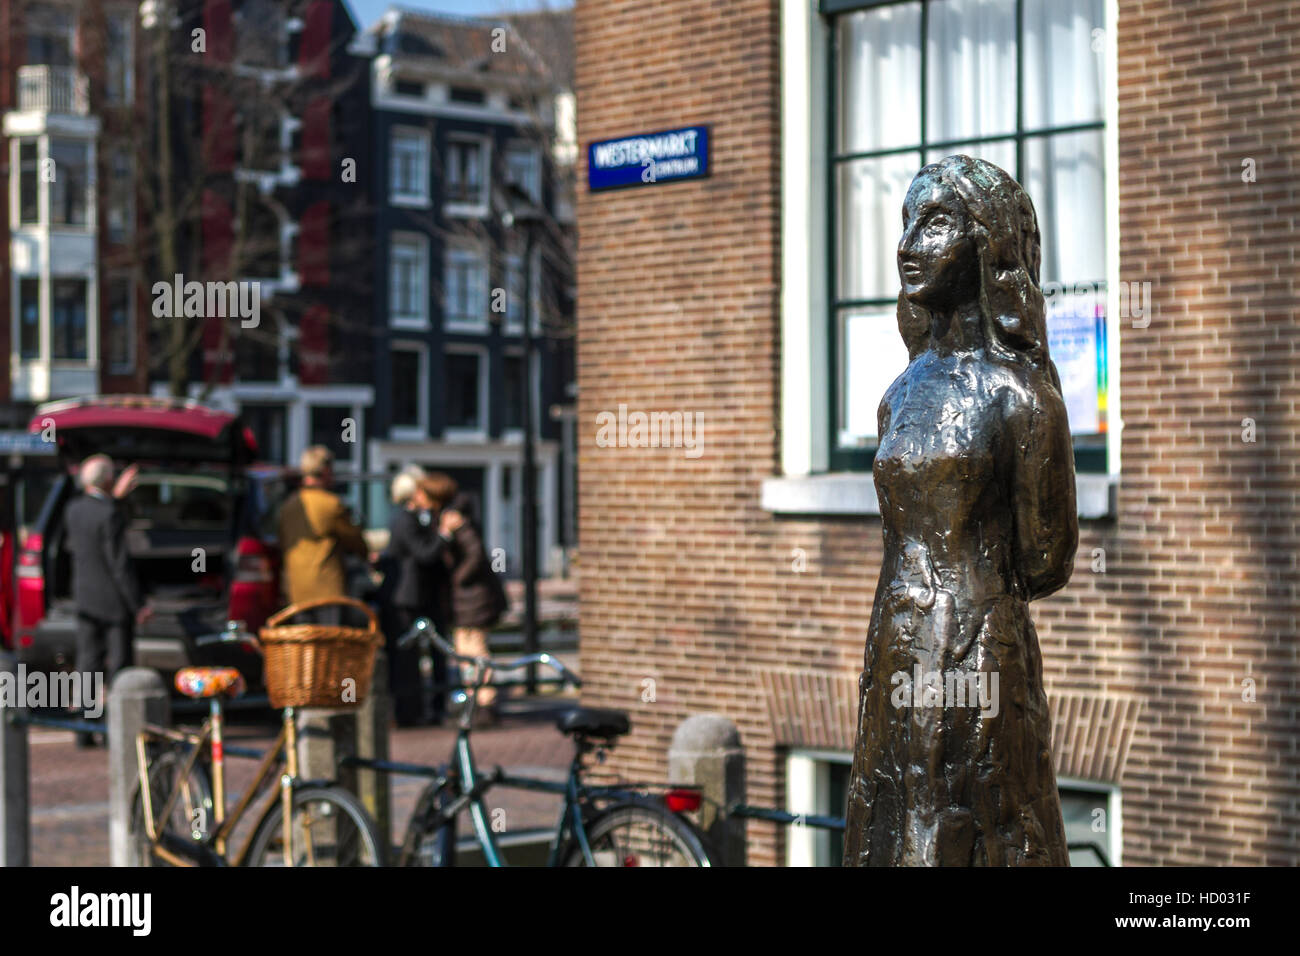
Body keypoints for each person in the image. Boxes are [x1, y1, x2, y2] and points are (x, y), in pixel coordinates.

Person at [843, 156, 1076, 866]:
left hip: (980, 652)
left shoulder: (1023, 398)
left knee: (972, 824)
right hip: (893, 642)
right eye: (907, 223)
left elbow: (1045, 560)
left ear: (989, 246)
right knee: (889, 814)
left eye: (936, 223)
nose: (909, 245)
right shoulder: (899, 392)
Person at [64, 455, 151, 747]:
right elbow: (119, 564)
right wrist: (137, 604)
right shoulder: (109, 513)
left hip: (85, 598)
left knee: (87, 664)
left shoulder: (73, 509)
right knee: (120, 667)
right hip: (113, 602)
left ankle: (84, 730)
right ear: (107, 480)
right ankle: (117, 728)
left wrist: (114, 499)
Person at [381, 469, 461, 724]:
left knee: (436, 652)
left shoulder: (420, 518)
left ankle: (434, 707)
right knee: (407, 657)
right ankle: (410, 712)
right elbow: (424, 554)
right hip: (409, 598)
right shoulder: (405, 521)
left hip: (425, 596)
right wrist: (444, 535)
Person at [276, 446, 368, 624]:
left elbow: (282, 541)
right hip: (327, 589)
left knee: (306, 645)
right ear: (325, 471)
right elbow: (354, 540)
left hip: (297, 590)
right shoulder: (331, 504)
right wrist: (365, 553)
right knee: (328, 644)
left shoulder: (288, 506)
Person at [444, 490, 508, 721]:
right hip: (470, 603)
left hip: (473, 604)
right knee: (467, 651)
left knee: (474, 651)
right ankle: (478, 696)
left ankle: (484, 699)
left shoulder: (465, 531)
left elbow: (475, 557)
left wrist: (457, 578)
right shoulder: (466, 531)